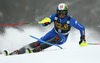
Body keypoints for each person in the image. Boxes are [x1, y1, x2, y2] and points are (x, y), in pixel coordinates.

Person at [7, 3, 87, 55]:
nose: (61, 14)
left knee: (58, 37)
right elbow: (45, 22)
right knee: (39, 41)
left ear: (66, 12)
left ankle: (39, 48)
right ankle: (19, 51)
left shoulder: (71, 20)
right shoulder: (55, 16)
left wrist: (82, 38)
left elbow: (82, 28)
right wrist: (46, 22)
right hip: (53, 32)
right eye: (59, 12)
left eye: (63, 13)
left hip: (62, 37)